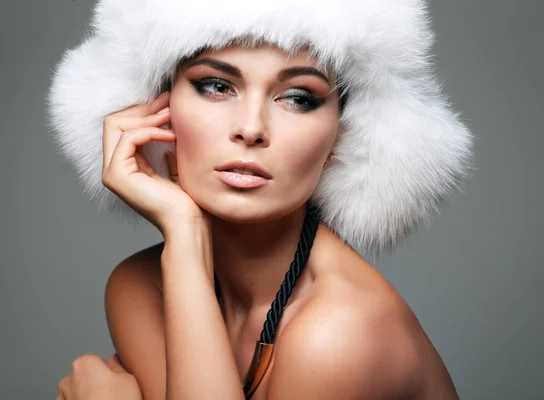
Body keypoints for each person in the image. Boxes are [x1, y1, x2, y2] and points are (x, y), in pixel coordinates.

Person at [49, 1, 474, 399]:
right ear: (157, 111)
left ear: (341, 137)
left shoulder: (340, 331)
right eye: (215, 86)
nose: (251, 128)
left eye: (297, 98)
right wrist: (185, 227)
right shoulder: (141, 287)